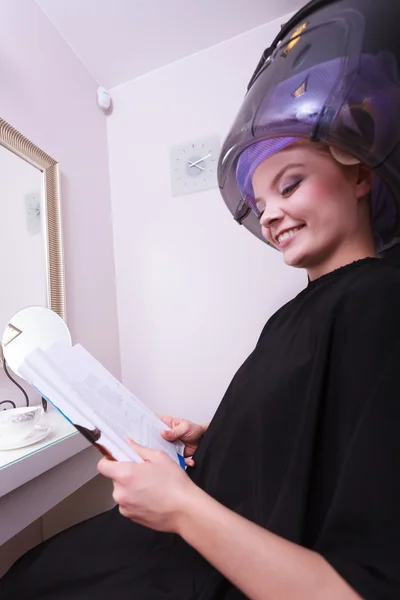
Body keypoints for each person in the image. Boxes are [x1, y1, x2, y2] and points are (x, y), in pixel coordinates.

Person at [2, 0, 400, 598]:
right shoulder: (295, 314)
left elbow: (357, 583)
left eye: (289, 183)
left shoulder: (379, 304)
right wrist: (211, 436)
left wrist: (181, 506)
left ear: (361, 174)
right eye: (261, 201)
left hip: (211, 559)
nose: (270, 214)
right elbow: (310, 436)